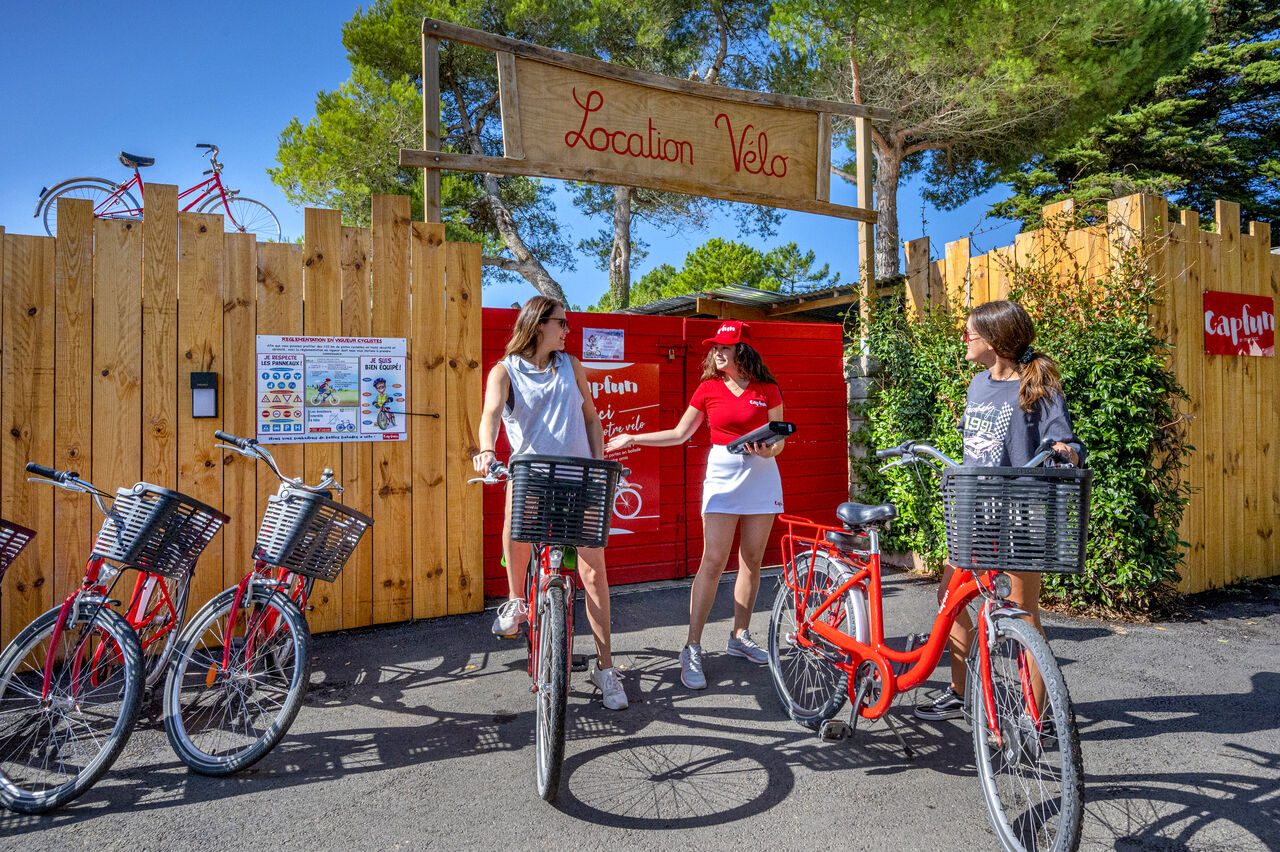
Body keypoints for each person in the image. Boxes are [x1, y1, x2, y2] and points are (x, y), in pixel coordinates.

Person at [915, 300, 1085, 721]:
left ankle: (1037, 717)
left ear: (995, 339)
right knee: (949, 602)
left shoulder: (1038, 385)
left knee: (1025, 617)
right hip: (973, 511)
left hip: (1022, 514)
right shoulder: (976, 384)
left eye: (971, 332)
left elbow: (1066, 441)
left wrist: (1067, 453)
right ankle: (959, 691)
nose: (965, 338)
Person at [606, 320, 785, 690]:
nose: (717, 352)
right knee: (714, 561)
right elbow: (679, 433)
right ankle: (692, 647)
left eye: (725, 346)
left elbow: (780, 437)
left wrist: (770, 448)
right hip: (722, 474)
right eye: (715, 347)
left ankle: (739, 637)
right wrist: (631, 437)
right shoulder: (708, 388)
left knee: (752, 560)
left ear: (743, 350)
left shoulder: (768, 388)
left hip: (762, 476)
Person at [472, 296, 627, 711]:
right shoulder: (505, 371)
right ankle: (516, 600)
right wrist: (488, 450)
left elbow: (591, 418)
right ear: (539, 324)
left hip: (578, 477)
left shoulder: (571, 366)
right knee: (515, 511)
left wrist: (598, 464)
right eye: (562, 323)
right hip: (533, 477)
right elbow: (490, 414)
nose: (567, 330)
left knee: (595, 573)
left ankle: (606, 667)